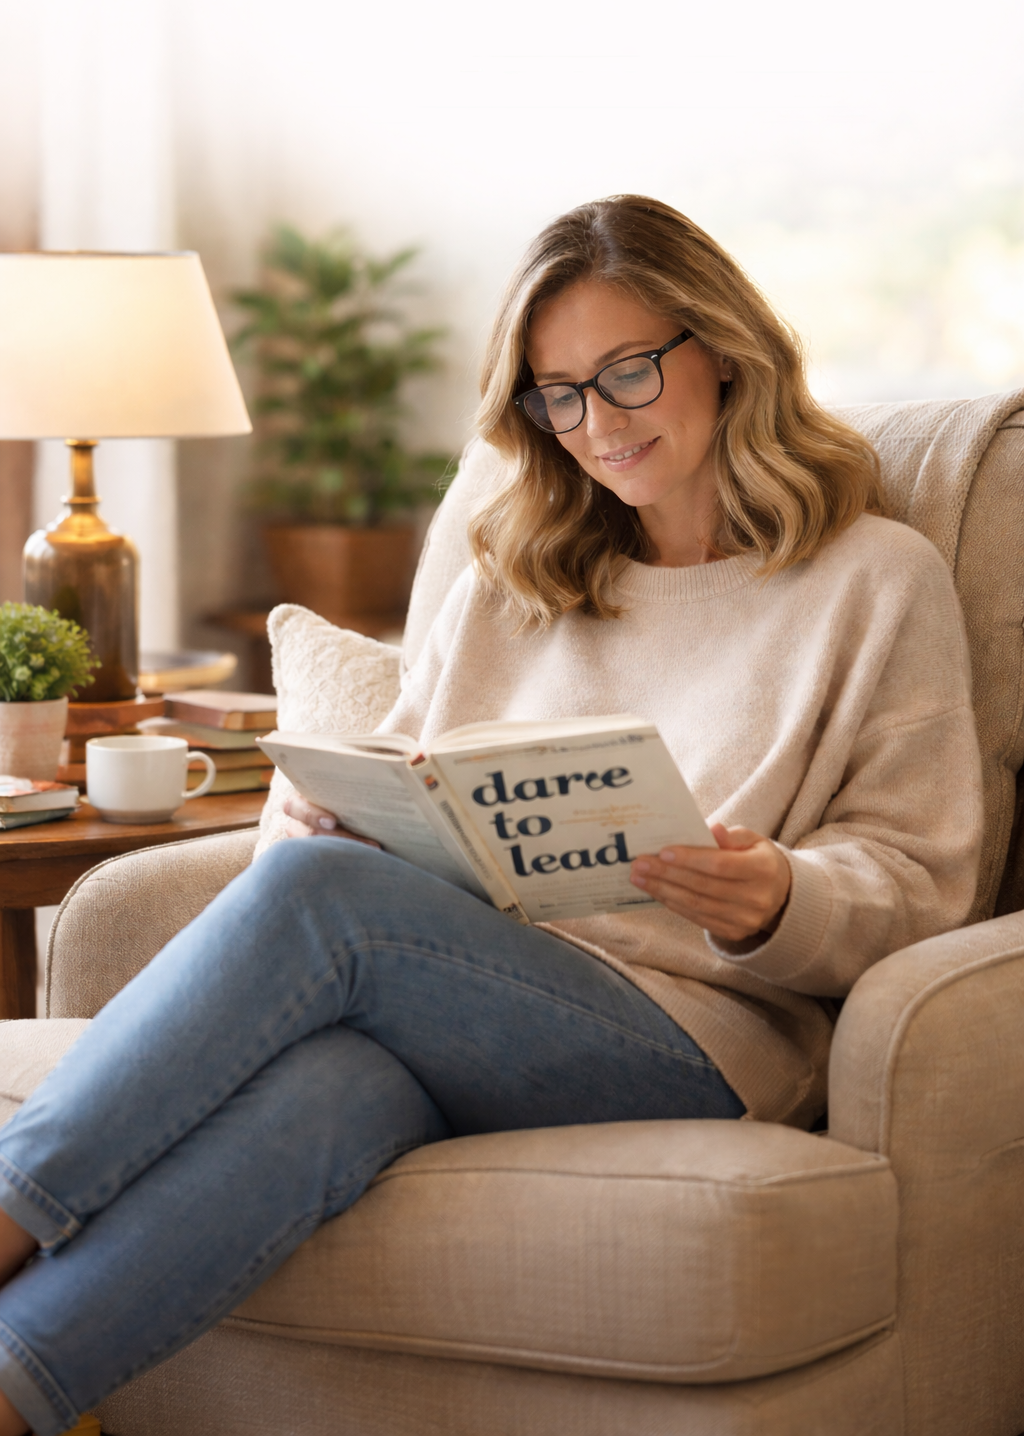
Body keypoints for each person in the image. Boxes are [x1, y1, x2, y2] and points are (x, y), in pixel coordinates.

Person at [0, 196, 982, 1434]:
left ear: (724, 348)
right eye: (556, 394)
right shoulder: (512, 571)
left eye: (627, 374)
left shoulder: (874, 581)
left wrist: (784, 895)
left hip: (703, 1035)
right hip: (462, 1000)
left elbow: (922, 875)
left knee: (320, 907)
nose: (595, 425)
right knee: (328, 1100)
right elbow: (413, 769)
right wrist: (337, 804)